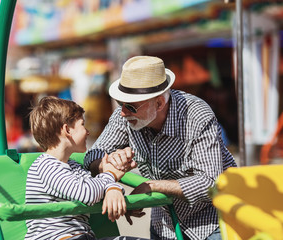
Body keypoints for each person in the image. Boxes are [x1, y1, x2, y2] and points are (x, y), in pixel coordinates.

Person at [84, 56, 237, 240]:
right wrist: (108, 165)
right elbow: (92, 155)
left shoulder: (197, 115)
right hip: (164, 224)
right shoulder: (124, 115)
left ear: (158, 103)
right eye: (120, 103)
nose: (123, 112)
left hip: (211, 222)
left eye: (131, 106)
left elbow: (210, 183)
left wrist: (152, 186)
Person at [25, 96, 143, 240]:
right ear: (67, 130)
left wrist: (114, 189)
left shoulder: (74, 166)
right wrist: (111, 174)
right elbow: (87, 194)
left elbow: (97, 186)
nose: (87, 132)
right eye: (82, 124)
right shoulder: (45, 166)